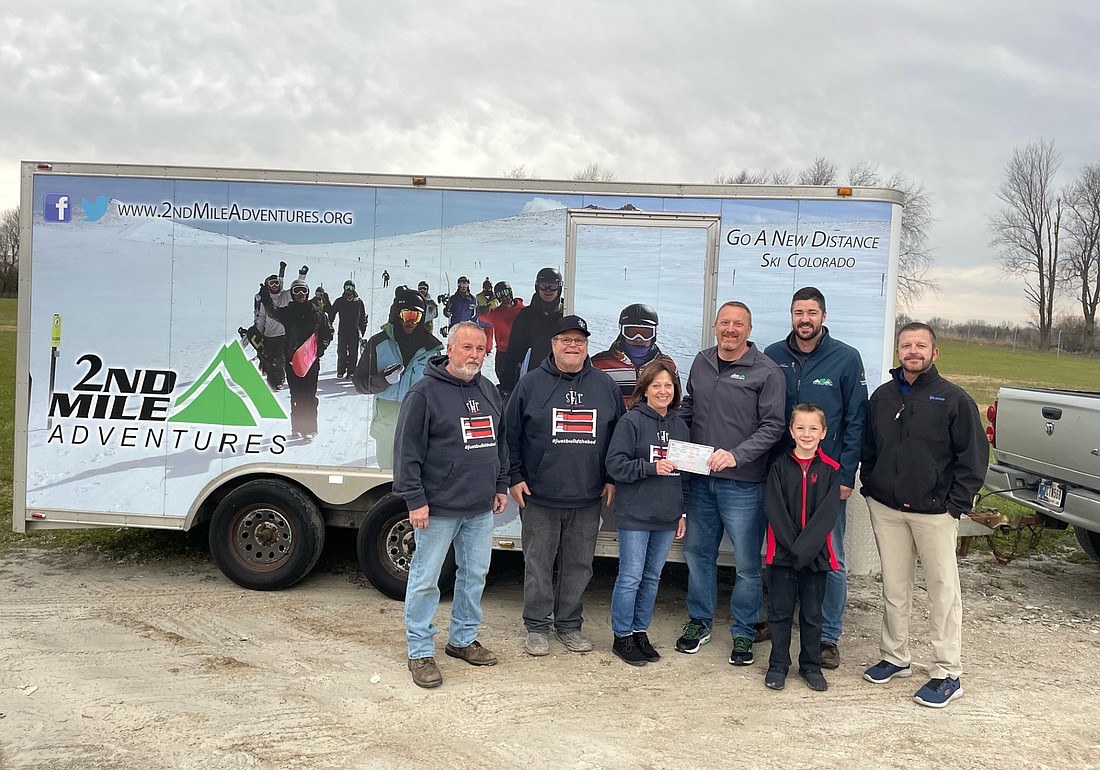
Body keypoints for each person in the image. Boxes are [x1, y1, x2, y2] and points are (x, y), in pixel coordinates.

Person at [860, 322, 986, 709]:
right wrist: (872, 486)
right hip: (888, 510)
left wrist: (954, 505)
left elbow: (973, 457)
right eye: (906, 345)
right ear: (898, 351)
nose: (912, 351)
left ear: (934, 352)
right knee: (894, 588)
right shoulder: (882, 397)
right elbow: (869, 446)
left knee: (942, 591)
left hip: (935, 513)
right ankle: (895, 657)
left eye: (920, 345)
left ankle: (947, 672)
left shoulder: (953, 399)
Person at [395, 321, 510, 689]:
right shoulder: (424, 393)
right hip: (437, 508)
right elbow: (407, 452)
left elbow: (499, 442)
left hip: (479, 506)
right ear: (449, 347)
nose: (474, 355)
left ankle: (462, 640)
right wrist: (415, 500)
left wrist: (500, 484)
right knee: (426, 579)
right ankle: (419, 651)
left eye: (480, 349)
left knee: (474, 575)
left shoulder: (489, 390)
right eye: (467, 348)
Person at [675, 301, 786, 666]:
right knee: (697, 553)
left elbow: (773, 426)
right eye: (725, 323)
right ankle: (700, 622)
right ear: (715, 327)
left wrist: (737, 454)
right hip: (701, 480)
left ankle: (743, 632)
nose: (731, 329)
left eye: (739, 324)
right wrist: (665, 432)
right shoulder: (702, 362)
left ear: (749, 331)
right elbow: (690, 407)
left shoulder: (766, 372)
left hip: (743, 485)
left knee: (745, 564)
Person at [506, 315, 624, 656]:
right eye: (565, 340)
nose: (572, 346)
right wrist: (514, 476)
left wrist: (612, 477)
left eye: (579, 341)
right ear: (553, 345)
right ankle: (538, 626)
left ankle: (569, 625)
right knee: (538, 564)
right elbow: (510, 434)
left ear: (586, 346)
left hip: (587, 497)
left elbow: (618, 438)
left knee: (578, 565)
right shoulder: (530, 384)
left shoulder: (605, 385)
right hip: (539, 497)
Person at [764, 286, 867, 669]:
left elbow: (857, 420)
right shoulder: (773, 356)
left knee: (831, 555)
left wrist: (846, 473)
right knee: (775, 549)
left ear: (823, 315)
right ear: (791, 316)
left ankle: (827, 635)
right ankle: (774, 621)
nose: (804, 319)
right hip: (781, 473)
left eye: (811, 312)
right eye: (797, 312)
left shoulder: (845, 358)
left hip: (827, 477)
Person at [605, 359, 689, 666]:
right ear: (645, 389)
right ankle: (622, 636)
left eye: (669, 386)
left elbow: (686, 475)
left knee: (652, 577)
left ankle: (640, 631)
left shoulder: (680, 425)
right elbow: (615, 465)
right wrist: (650, 468)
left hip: (667, 515)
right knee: (630, 576)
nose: (663, 391)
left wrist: (683, 512)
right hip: (635, 514)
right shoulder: (631, 422)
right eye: (657, 385)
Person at [762, 403, 841, 692]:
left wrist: (805, 550)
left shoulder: (832, 470)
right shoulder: (779, 467)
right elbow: (775, 509)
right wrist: (792, 548)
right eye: (800, 428)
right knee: (780, 612)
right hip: (782, 555)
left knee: (811, 614)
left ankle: (810, 666)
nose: (806, 434)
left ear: (823, 432)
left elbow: (826, 516)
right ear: (791, 430)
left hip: (816, 557)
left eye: (813, 428)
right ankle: (778, 665)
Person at [354, 288, 443, 468]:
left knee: (414, 476)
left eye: (416, 316)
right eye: (406, 314)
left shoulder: (432, 349)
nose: (410, 321)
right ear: (397, 314)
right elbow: (359, 384)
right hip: (386, 426)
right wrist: (383, 380)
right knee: (387, 476)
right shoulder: (378, 343)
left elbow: (440, 392)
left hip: (417, 424)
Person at [258, 275, 332, 439]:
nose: (300, 294)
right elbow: (272, 312)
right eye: (296, 291)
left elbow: (328, 333)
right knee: (296, 394)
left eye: (303, 290)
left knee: (309, 394)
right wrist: (266, 299)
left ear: (307, 293)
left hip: (311, 361)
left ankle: (310, 428)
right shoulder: (288, 312)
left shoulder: (317, 314)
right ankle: (297, 427)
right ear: (291, 294)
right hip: (293, 360)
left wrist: (320, 349)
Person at [592, 303, 678, 406]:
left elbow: (676, 404)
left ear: (654, 333)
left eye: (645, 333)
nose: (638, 338)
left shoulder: (668, 365)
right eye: (632, 332)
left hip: (655, 421)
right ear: (621, 331)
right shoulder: (598, 364)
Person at [254, 266, 306, 390]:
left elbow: (297, 289)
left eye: (276, 282)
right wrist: (259, 333)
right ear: (267, 285)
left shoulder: (285, 296)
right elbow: (261, 318)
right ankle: (272, 383)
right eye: (271, 283)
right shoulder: (265, 301)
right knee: (270, 360)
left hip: (283, 335)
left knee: (280, 359)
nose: (275, 285)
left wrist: (302, 275)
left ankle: (280, 381)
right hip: (269, 335)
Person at [507, 266, 564, 380]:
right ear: (537, 287)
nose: (548, 290)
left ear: (559, 288)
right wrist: (508, 382)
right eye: (543, 285)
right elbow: (514, 351)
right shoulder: (525, 316)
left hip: (562, 378)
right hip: (533, 379)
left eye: (553, 285)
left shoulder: (566, 316)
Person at [485, 281, 525, 397]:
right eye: (499, 294)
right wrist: (484, 309)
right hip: (503, 353)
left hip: (520, 352)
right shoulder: (495, 313)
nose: (504, 297)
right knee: (506, 387)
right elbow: (477, 315)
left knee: (522, 384)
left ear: (511, 292)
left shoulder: (523, 310)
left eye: (506, 292)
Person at [327, 280, 368, 379]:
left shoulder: (358, 302)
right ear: (344, 289)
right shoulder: (340, 301)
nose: (349, 290)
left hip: (354, 331)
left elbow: (363, 317)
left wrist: (362, 331)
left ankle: (351, 372)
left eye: (351, 288)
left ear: (354, 289)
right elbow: (332, 313)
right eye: (347, 288)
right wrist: (328, 325)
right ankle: (341, 370)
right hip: (343, 330)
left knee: (353, 352)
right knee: (341, 352)